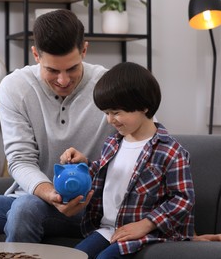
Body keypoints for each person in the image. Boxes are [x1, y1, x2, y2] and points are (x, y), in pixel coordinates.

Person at [0, 9, 116, 243]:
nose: (63, 80)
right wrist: (51, 194)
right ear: (36, 54)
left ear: (85, 50)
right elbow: (20, 160)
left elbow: (147, 141)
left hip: (90, 207)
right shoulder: (15, 87)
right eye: (53, 70)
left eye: (72, 69)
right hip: (31, 199)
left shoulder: (110, 85)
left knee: (25, 207)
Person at [59, 62, 196, 258]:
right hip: (109, 228)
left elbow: (183, 199)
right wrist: (84, 165)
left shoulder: (170, 151)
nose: (110, 120)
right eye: (106, 113)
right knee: (75, 256)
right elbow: (104, 174)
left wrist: (146, 224)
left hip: (148, 232)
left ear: (144, 107)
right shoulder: (113, 143)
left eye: (116, 112)